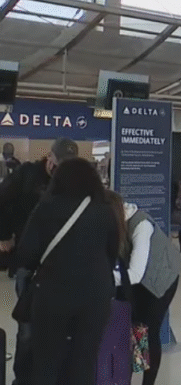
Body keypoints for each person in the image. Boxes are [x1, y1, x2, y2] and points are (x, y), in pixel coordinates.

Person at [15, 158, 120, 385]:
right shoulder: (104, 211)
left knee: (46, 361)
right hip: (96, 295)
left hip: (53, 294)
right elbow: (113, 253)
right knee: (85, 361)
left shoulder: (46, 207)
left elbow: (25, 253)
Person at [0, 138, 79, 384]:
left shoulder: (71, 182)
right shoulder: (27, 175)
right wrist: (4, 236)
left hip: (59, 265)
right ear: (50, 158)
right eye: (59, 164)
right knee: (27, 328)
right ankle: (22, 379)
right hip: (28, 263)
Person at [106, 190, 180, 385]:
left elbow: (136, 274)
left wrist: (101, 278)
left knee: (149, 328)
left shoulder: (141, 226)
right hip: (135, 277)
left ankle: (149, 381)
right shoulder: (114, 225)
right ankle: (127, 375)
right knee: (132, 325)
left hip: (161, 278)